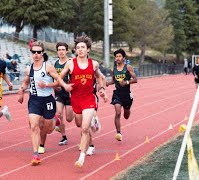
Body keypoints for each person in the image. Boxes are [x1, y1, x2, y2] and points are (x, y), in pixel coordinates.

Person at [57, 35, 108, 168]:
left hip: (89, 99)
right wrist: (64, 85)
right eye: (78, 48)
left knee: (84, 129)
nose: (80, 50)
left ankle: (81, 157)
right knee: (79, 124)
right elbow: (59, 78)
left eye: (83, 47)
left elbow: (99, 77)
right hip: (75, 100)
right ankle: (93, 120)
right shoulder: (70, 63)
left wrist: (102, 89)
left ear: (88, 49)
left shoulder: (94, 63)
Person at [17, 40, 60, 166]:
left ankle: (54, 120)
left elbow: (58, 82)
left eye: (38, 52)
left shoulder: (48, 67)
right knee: (34, 126)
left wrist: (47, 84)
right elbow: (25, 82)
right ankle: (35, 155)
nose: (36, 54)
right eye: (33, 52)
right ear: (31, 53)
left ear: (42, 53)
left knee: (48, 129)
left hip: (47, 100)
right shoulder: (28, 68)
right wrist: (21, 90)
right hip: (34, 100)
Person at [106, 49, 137, 141]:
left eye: (119, 56)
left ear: (123, 58)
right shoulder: (113, 69)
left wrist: (126, 82)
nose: (118, 58)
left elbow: (135, 79)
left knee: (126, 115)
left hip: (126, 94)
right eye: (116, 57)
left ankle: (127, 110)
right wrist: (107, 83)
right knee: (118, 112)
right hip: (117, 94)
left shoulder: (128, 67)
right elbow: (113, 80)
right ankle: (118, 133)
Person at [53, 42, 75, 146]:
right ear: (57, 51)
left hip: (70, 92)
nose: (61, 52)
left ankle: (78, 112)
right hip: (59, 92)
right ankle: (64, 136)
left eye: (63, 50)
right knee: (58, 113)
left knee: (69, 118)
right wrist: (54, 85)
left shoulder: (71, 62)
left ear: (66, 51)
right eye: (59, 50)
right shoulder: (56, 63)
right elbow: (54, 77)